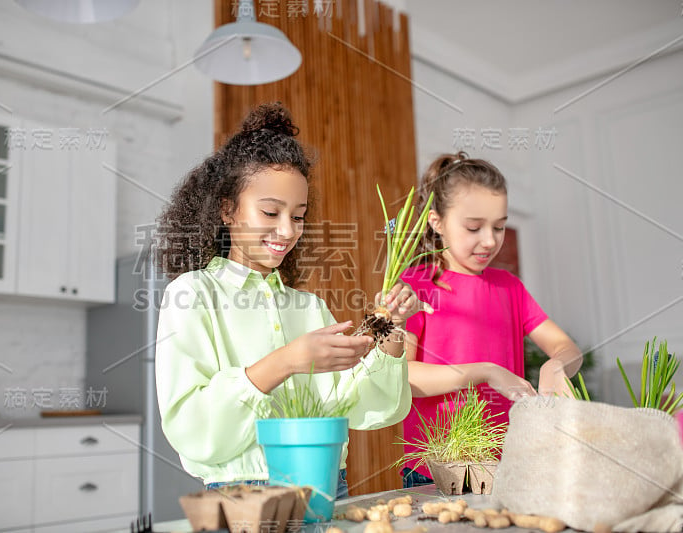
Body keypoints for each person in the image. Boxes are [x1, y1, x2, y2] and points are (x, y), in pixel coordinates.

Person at [153, 102, 420, 498]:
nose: (287, 230)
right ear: (227, 209)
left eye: (298, 215)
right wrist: (289, 360)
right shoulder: (192, 294)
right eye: (270, 211)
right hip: (243, 498)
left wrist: (391, 333)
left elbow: (365, 410)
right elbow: (193, 429)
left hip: (329, 488)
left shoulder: (308, 307)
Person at [399, 151, 583, 488]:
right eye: (474, 227)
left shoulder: (509, 287)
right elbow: (404, 376)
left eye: (499, 227)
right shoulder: (416, 286)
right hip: (436, 470)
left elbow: (565, 347)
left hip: (508, 466)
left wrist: (556, 366)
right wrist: (485, 371)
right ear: (436, 222)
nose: (489, 240)